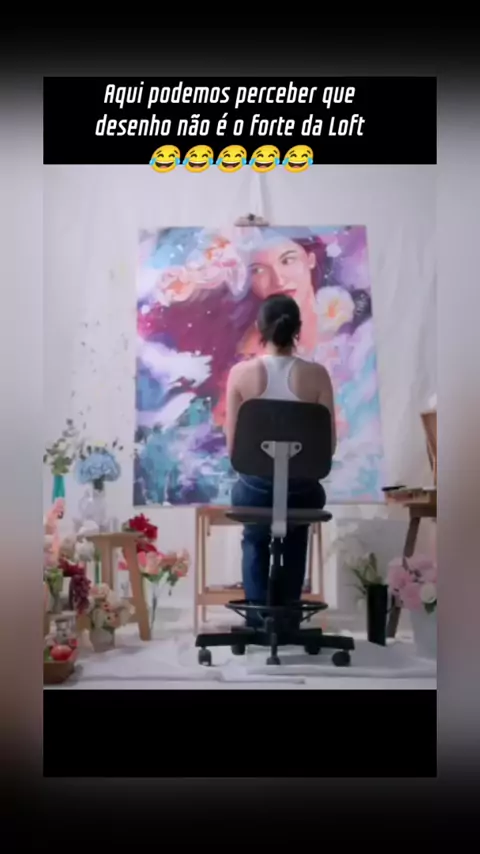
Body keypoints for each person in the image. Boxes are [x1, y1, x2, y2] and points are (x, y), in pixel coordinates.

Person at [225, 293, 336, 626]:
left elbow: (235, 450)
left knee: (255, 536)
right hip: (303, 493)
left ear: (259, 329)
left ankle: (258, 620)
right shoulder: (317, 376)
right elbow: (327, 447)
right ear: (297, 329)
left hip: (255, 492)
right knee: (296, 535)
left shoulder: (240, 374)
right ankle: (287, 620)